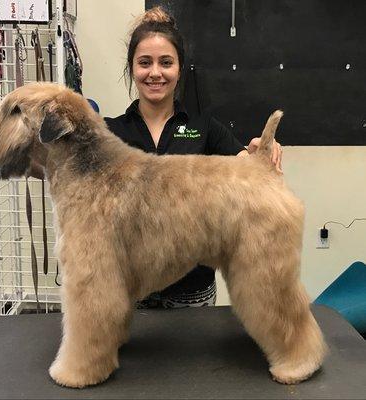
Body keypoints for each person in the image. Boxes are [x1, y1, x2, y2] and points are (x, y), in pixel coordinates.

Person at [104, 6, 283, 309]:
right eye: (145, 62)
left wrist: (257, 155)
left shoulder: (205, 128)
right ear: (132, 67)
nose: (155, 73)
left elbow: (244, 166)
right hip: (128, 293)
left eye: (166, 63)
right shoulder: (109, 132)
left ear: (180, 68)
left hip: (193, 294)